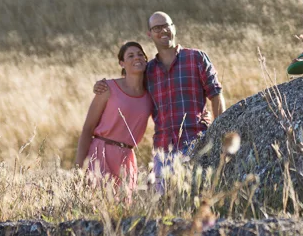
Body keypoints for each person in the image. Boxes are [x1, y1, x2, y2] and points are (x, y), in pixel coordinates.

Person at [95, 11, 224, 191]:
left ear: (174, 28)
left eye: (166, 26)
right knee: (165, 202)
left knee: (197, 196)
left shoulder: (196, 58)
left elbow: (216, 94)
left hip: (196, 144)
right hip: (163, 151)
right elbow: (129, 90)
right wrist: (104, 85)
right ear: (149, 34)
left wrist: (219, 132)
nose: (163, 31)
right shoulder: (149, 70)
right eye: (157, 28)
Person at [75, 41, 153, 198]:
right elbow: (88, 128)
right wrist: (78, 168)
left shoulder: (150, 94)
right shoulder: (107, 88)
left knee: (123, 207)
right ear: (121, 63)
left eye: (140, 54)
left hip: (127, 158)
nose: (136, 58)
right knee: (98, 202)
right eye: (130, 56)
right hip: (101, 153)